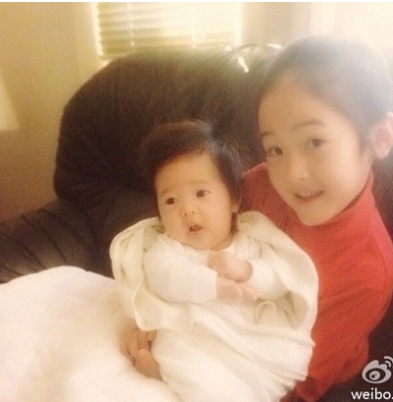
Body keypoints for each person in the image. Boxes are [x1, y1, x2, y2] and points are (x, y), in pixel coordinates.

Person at [126, 35, 393, 402]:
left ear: (379, 137)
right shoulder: (258, 185)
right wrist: (152, 313)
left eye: (314, 142)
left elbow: (301, 381)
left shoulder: (367, 271)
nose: (293, 174)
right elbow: (190, 239)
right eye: (275, 149)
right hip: (216, 323)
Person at [111, 120, 318, 402]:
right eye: (171, 201)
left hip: (250, 343)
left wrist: (247, 271)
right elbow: (163, 277)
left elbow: (281, 281)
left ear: (233, 200)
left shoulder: (253, 239)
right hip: (196, 340)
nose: (187, 209)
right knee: (177, 349)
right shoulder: (168, 248)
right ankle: (166, 378)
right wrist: (213, 284)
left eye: (201, 193)